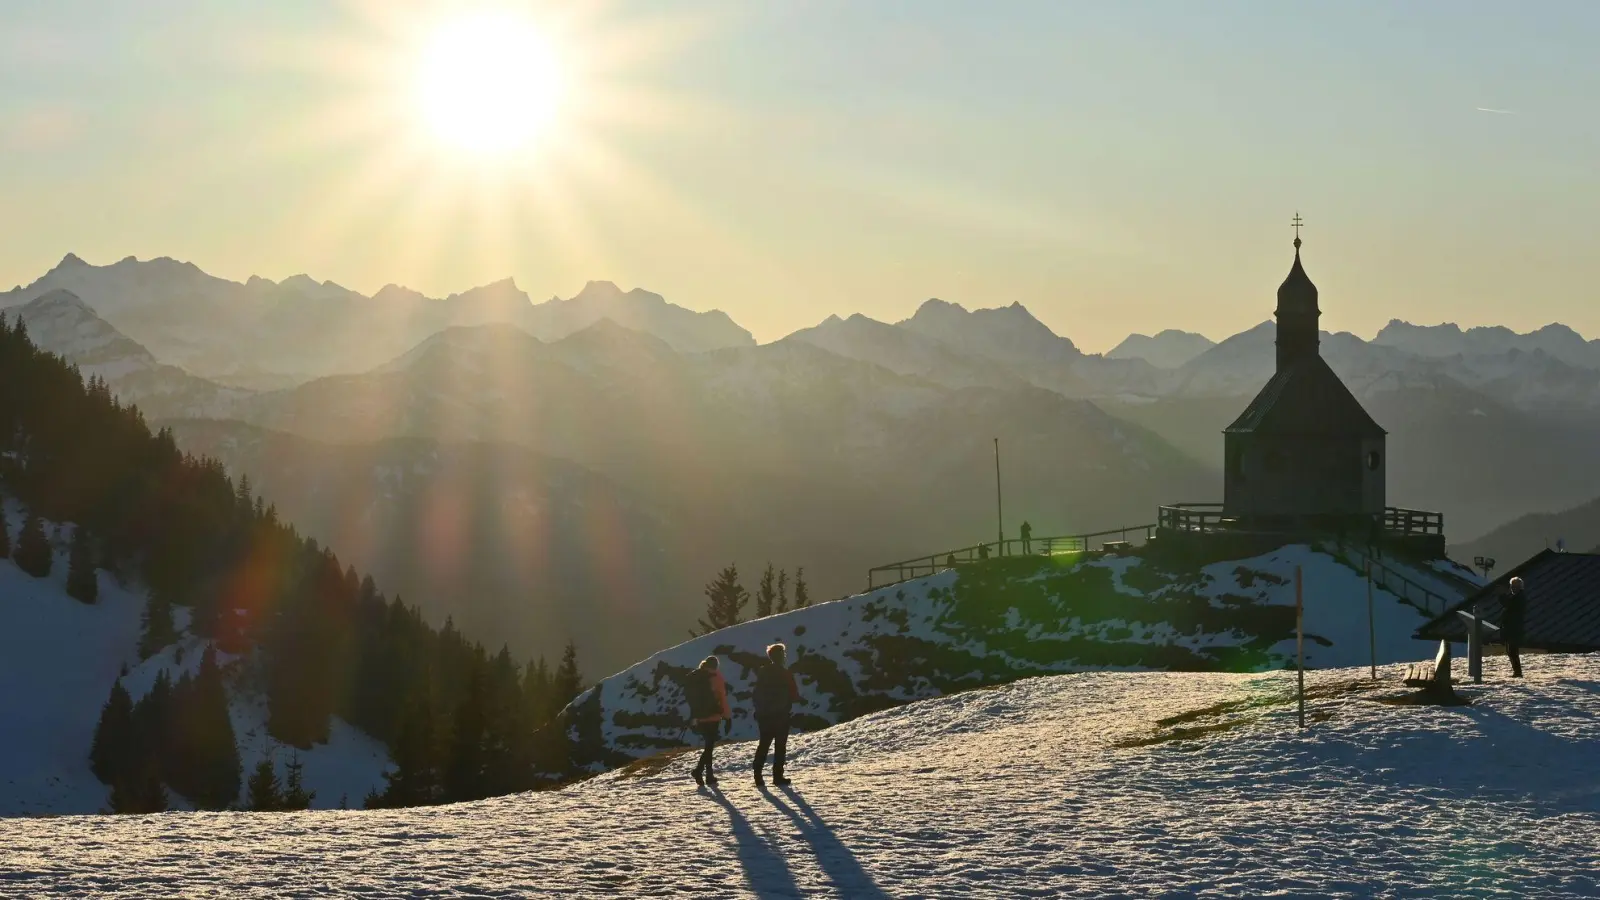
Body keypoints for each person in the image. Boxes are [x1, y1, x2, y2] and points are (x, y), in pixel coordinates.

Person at [751, 642, 801, 788]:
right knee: (780, 746)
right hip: (781, 715)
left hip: (764, 715)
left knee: (764, 744)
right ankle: (777, 777)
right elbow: (794, 695)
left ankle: (758, 775)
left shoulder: (762, 672)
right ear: (781, 656)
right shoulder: (785, 673)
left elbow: (755, 694)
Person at [685, 656, 731, 786]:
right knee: (709, 746)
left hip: (699, 716)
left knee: (708, 745)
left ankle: (707, 774)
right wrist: (727, 717)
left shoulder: (695, 677)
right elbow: (722, 698)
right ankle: (701, 772)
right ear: (715, 666)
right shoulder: (716, 677)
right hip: (713, 716)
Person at [1501, 576, 1527, 678]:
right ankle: (1516, 672)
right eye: (1511, 586)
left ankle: (1517, 672)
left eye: (1514, 586)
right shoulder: (1517, 596)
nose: (1512, 588)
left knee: (1512, 651)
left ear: (1519, 587)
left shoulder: (1519, 597)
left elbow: (1507, 604)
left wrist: (1501, 595)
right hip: (1512, 628)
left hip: (1514, 629)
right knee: (1510, 651)